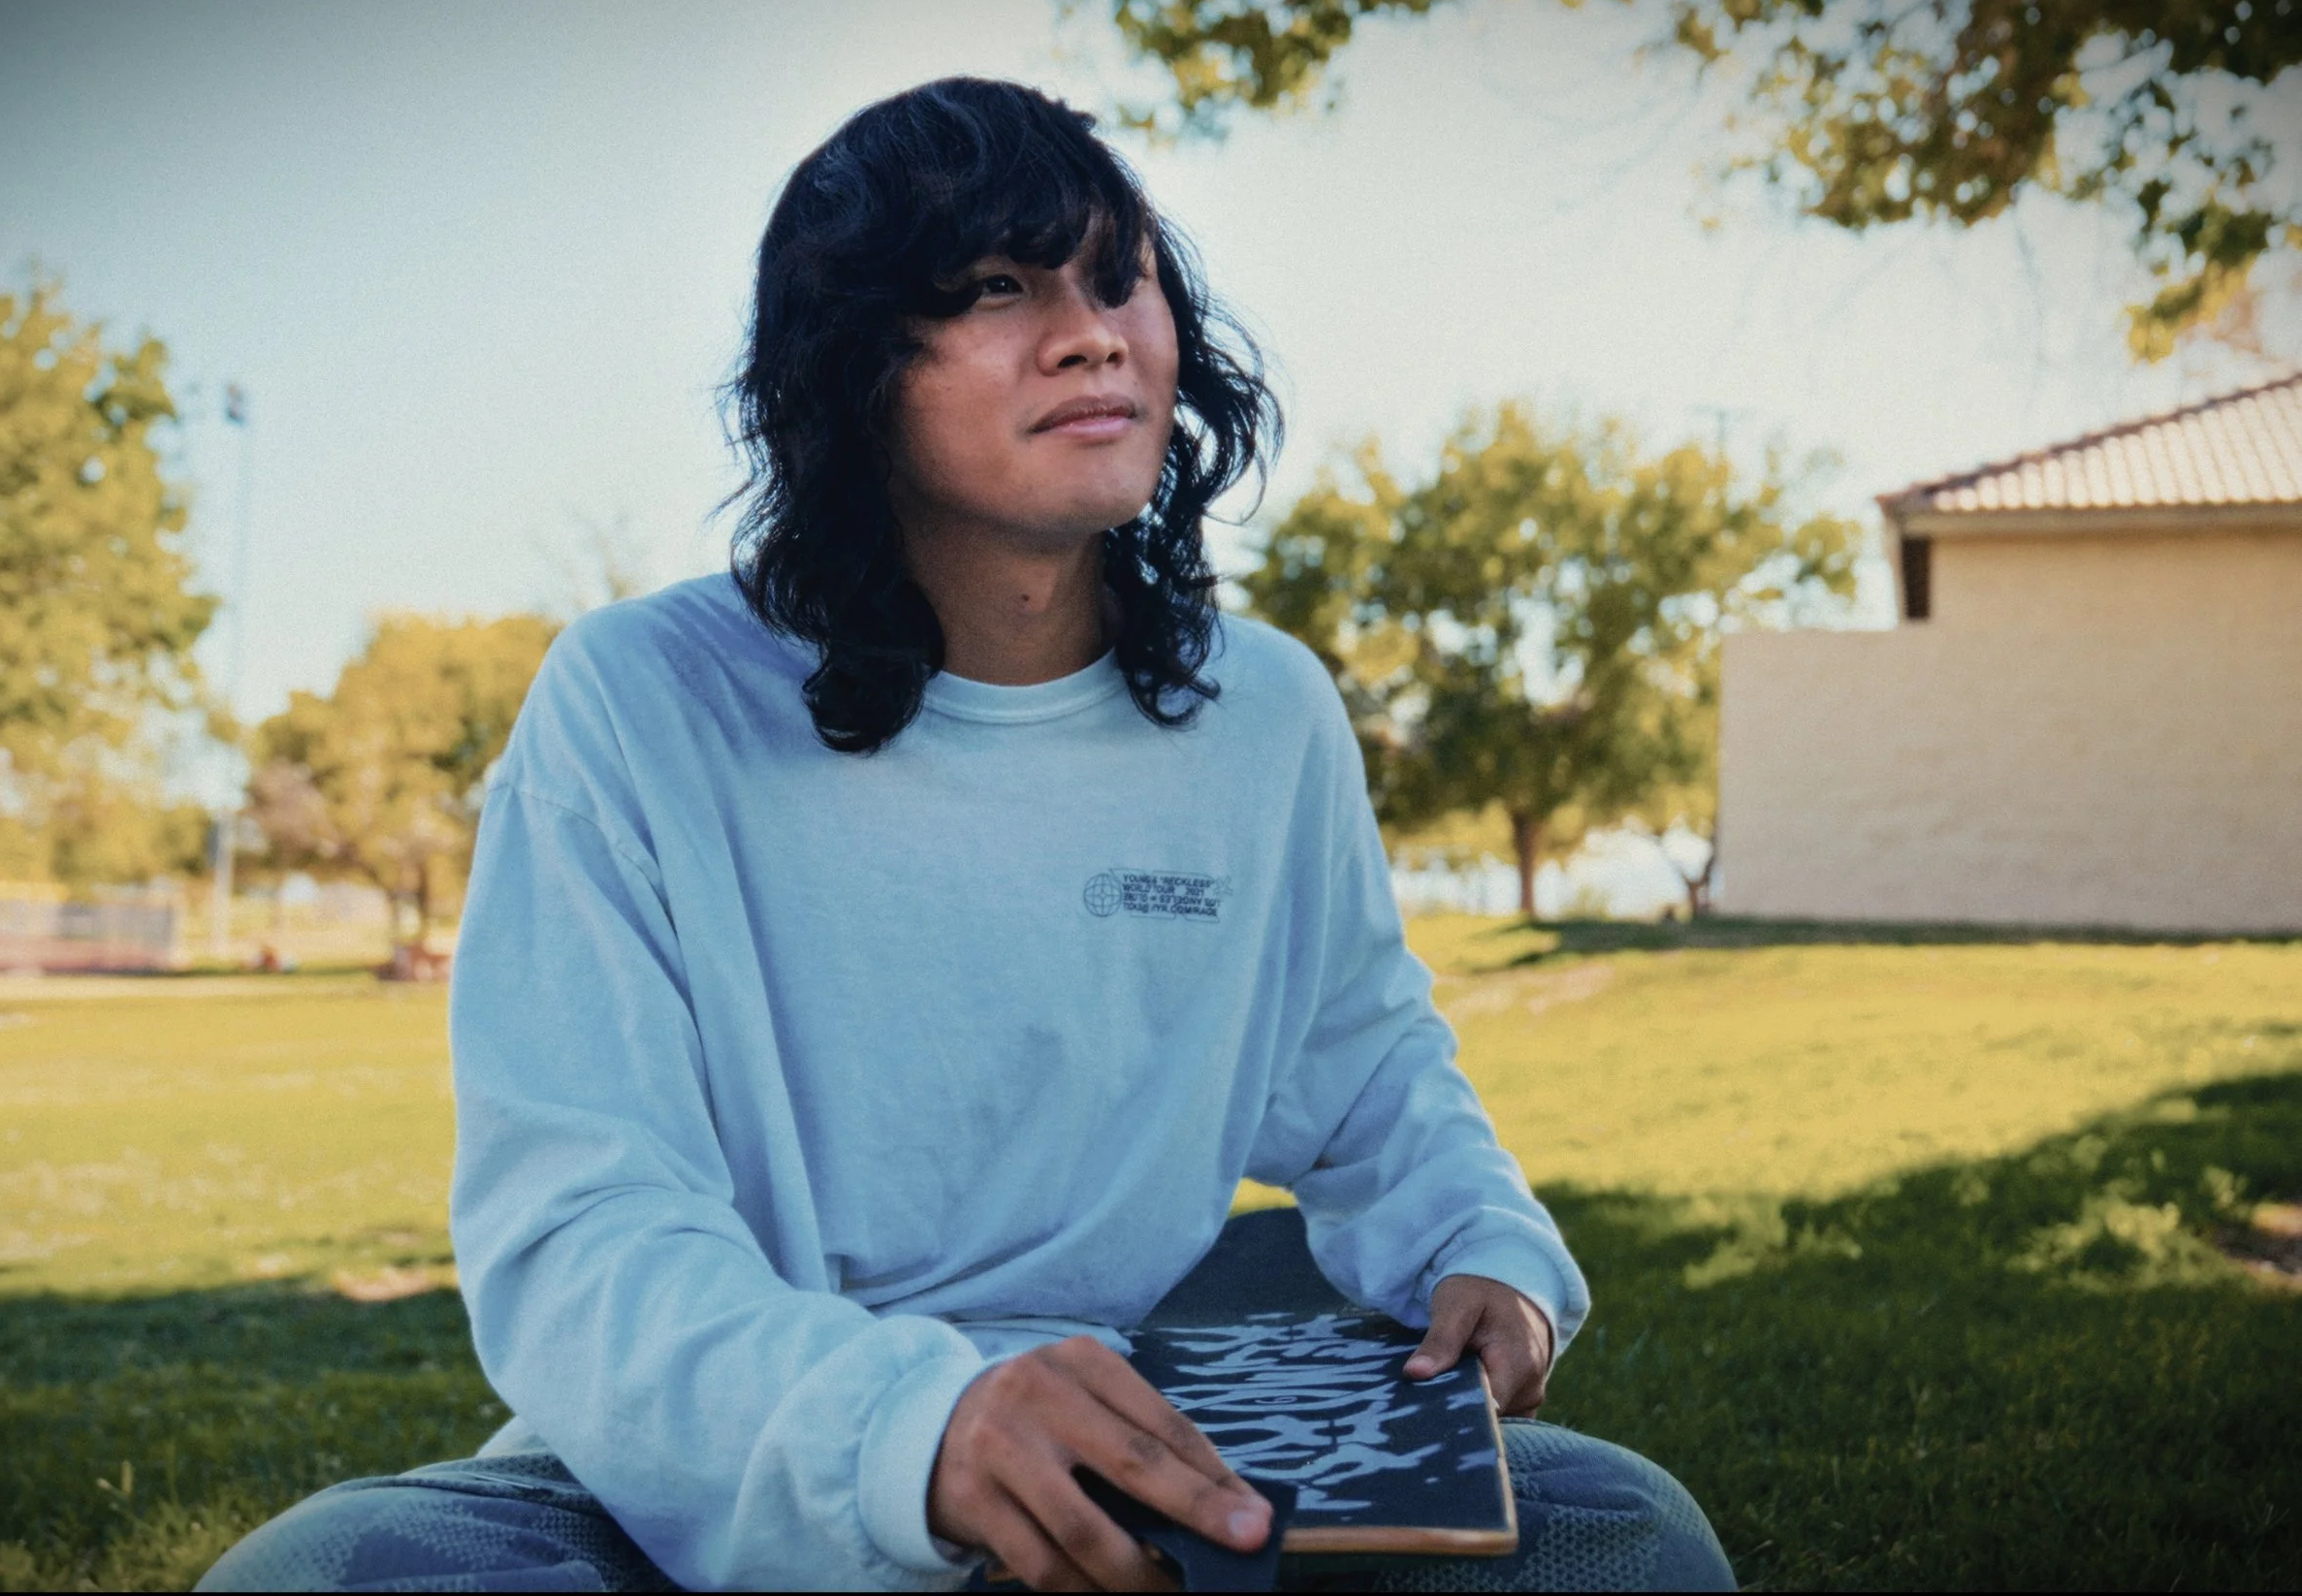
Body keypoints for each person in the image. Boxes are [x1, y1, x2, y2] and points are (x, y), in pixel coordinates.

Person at [200, 78, 1734, 1593]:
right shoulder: (639, 701)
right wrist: (916, 1430)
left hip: (1144, 1435)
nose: (1092, 331)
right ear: (852, 367)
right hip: (734, 1456)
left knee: (1625, 1540)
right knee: (323, 1574)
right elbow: (584, 1233)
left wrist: (1485, 1248)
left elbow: (1370, 1074)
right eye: (998, 286)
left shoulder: (1265, 714)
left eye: (1119, 276)